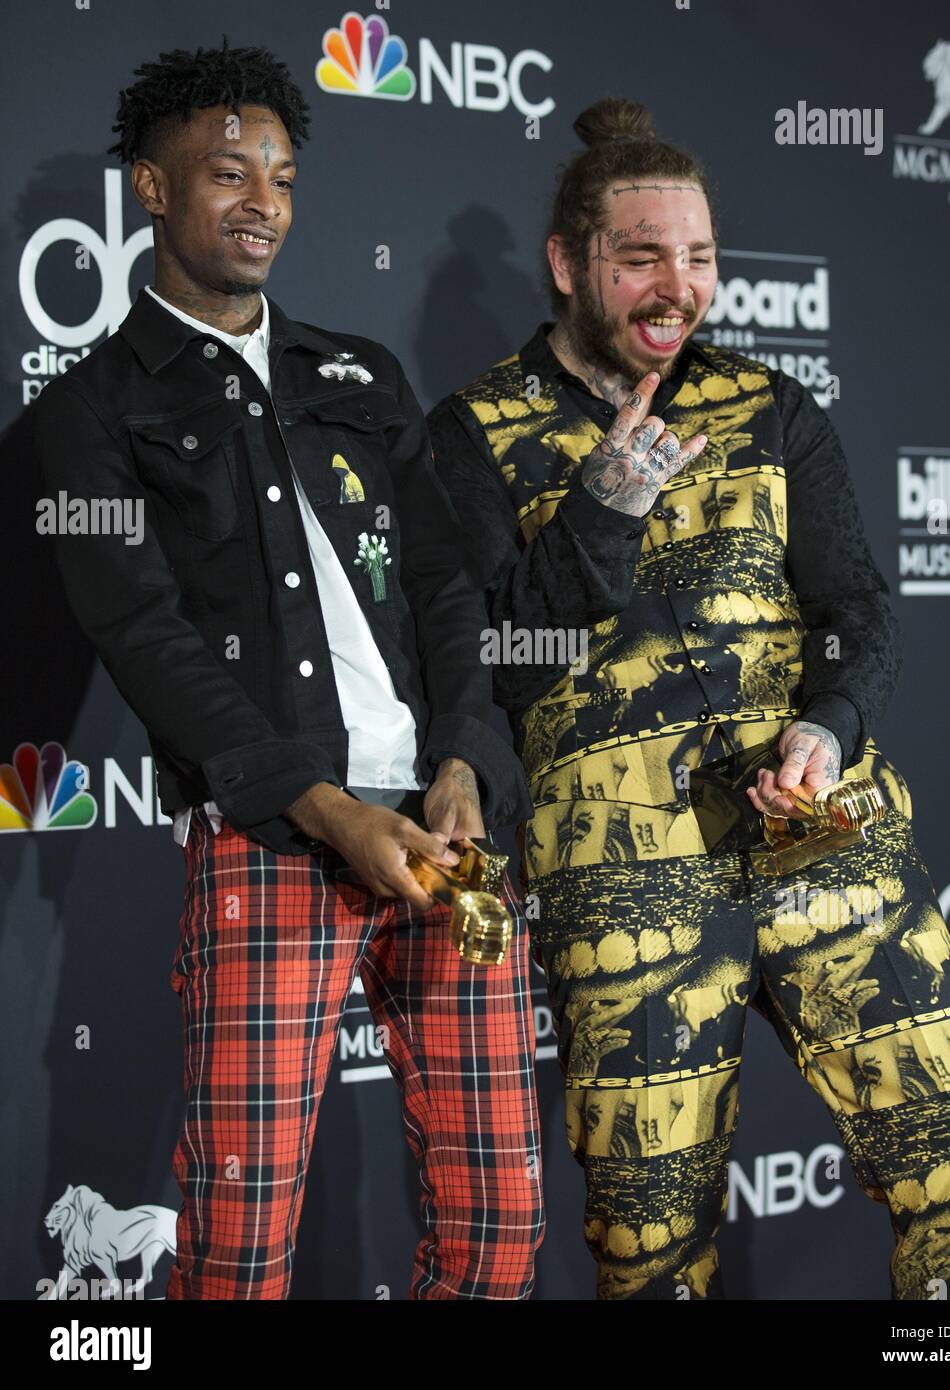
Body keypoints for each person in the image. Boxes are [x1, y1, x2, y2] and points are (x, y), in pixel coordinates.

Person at [426, 97, 950, 1301]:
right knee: (651, 1255)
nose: (676, 287)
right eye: (641, 257)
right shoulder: (471, 433)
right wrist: (599, 507)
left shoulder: (768, 407)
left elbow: (857, 607)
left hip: (823, 838)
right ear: (569, 263)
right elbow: (489, 668)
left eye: (697, 258)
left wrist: (828, 726)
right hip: (623, 880)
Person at [34, 41, 544, 1300]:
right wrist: (326, 809)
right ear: (151, 191)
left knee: (500, 1225)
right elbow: (146, 639)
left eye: (282, 177)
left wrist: (466, 766)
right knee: (240, 1244)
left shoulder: (360, 373)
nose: (263, 201)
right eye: (226, 173)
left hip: (445, 833)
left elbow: (442, 589)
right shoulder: (86, 412)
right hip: (274, 841)